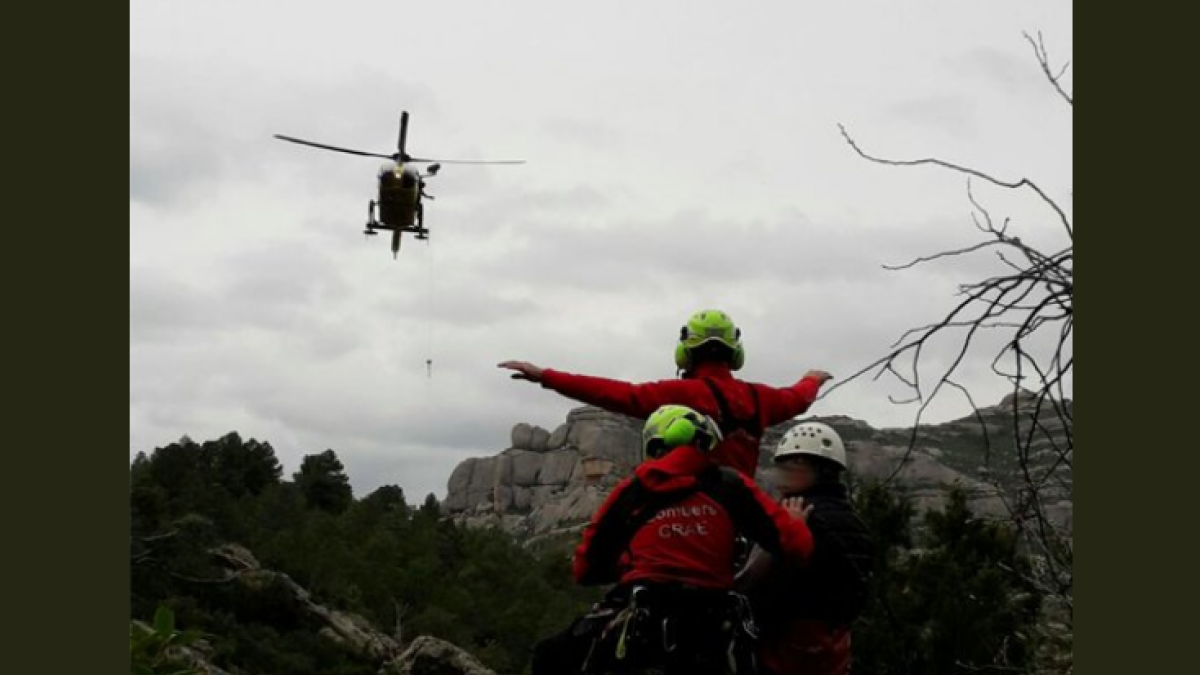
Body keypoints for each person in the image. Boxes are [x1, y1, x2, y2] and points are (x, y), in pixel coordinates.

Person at [533, 404, 816, 675]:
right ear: (705, 444)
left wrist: (632, 561)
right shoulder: (731, 486)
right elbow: (795, 547)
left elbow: (585, 570)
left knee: (548, 655)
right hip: (712, 630)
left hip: (641, 627)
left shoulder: (630, 493)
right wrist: (795, 523)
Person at [499, 308, 833, 478]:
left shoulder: (678, 393)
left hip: (687, 507)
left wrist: (547, 376)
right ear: (735, 351)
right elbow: (797, 398)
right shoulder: (760, 398)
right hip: (742, 513)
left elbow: (615, 394)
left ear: (686, 351)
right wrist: (813, 379)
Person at [736, 422, 874, 675]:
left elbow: (753, 584)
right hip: (836, 650)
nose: (780, 476)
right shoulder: (856, 522)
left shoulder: (794, 516)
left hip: (787, 651)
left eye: (788, 466)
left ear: (809, 467)